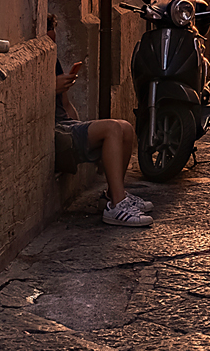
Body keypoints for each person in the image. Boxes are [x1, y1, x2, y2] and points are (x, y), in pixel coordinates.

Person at [50, 16, 149, 228]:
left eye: (53, 31)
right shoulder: (40, 63)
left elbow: (66, 105)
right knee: (112, 128)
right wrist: (50, 87)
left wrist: (82, 128)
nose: (52, 36)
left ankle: (112, 195)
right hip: (52, 130)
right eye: (49, 31)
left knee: (126, 128)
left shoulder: (54, 61)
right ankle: (118, 205)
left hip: (65, 126)